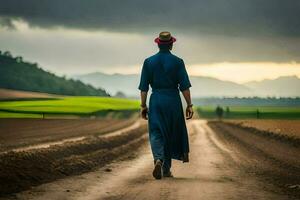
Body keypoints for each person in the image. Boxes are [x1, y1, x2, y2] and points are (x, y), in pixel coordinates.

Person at [138, 31, 193, 179]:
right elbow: (185, 87)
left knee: (156, 132)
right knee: (169, 133)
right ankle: (166, 169)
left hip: (156, 100)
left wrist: (143, 106)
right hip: (173, 101)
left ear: (158, 44)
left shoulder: (148, 62)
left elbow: (144, 88)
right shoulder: (178, 62)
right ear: (171, 44)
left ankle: (158, 159)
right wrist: (189, 104)